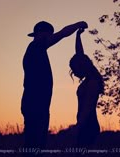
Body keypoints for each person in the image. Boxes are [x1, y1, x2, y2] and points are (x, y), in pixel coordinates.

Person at [21, 21, 88, 151]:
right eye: (48, 35)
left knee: (35, 142)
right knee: (35, 143)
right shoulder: (36, 47)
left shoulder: (37, 50)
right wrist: (78, 25)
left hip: (36, 103)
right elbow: (62, 34)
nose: (50, 38)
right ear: (41, 34)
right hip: (35, 104)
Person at [69, 28, 104, 147]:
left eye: (74, 69)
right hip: (84, 124)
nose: (73, 72)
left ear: (82, 67)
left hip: (88, 125)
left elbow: (88, 107)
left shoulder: (92, 83)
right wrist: (78, 35)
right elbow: (80, 54)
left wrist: (79, 126)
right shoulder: (89, 80)